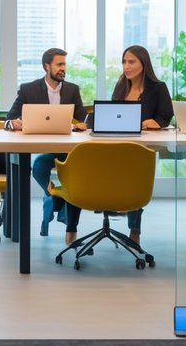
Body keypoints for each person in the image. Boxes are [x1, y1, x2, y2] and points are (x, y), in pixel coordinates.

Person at [67, 45, 174, 245]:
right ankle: (76, 224)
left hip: (140, 148)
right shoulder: (121, 86)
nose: (126, 66)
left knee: (133, 176)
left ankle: (135, 230)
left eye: (131, 61)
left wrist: (156, 123)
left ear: (144, 63)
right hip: (116, 143)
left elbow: (166, 116)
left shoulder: (158, 88)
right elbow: (113, 114)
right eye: (124, 61)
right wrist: (89, 123)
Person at [4, 47, 87, 244]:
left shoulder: (72, 90)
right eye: (59, 64)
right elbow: (9, 118)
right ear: (46, 66)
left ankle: (70, 231)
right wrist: (13, 123)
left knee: (76, 179)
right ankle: (55, 196)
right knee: (39, 167)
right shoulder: (28, 89)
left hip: (68, 151)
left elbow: (84, 117)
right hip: (44, 150)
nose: (63, 69)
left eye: (64, 64)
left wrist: (83, 124)